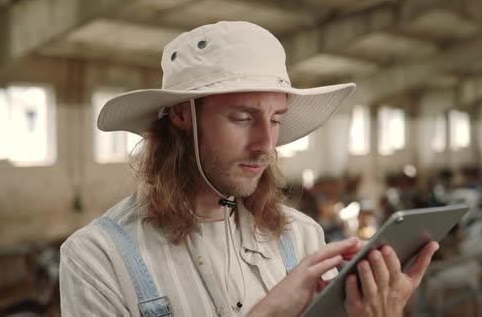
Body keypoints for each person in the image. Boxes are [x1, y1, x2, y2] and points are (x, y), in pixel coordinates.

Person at [59, 21, 439, 317]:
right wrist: (270, 310)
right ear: (180, 115)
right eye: (243, 117)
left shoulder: (302, 237)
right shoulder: (98, 258)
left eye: (276, 119)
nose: (266, 143)